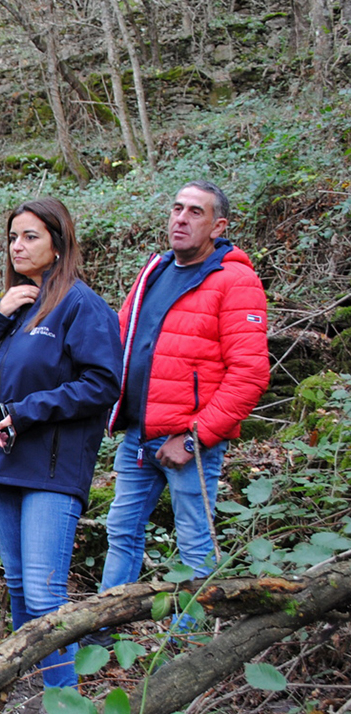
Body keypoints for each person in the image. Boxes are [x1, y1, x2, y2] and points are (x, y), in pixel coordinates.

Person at [0, 198, 121, 714]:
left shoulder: (81, 306)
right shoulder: (18, 306)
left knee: (47, 594)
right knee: (22, 589)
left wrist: (26, 413)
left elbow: (103, 383)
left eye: (28, 236)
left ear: (58, 241)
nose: (16, 247)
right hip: (5, 468)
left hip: (50, 469)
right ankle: (30, 699)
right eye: (12, 238)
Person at [94, 181, 269, 631]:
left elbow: (250, 374)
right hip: (137, 435)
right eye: (177, 208)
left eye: (195, 212)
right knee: (121, 532)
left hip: (190, 442)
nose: (181, 218)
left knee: (194, 543)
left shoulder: (235, 280)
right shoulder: (154, 270)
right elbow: (122, 339)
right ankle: (101, 630)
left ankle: (187, 649)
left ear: (218, 225)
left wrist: (194, 438)